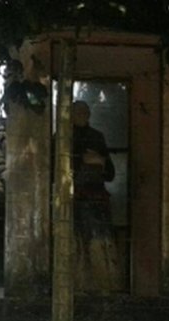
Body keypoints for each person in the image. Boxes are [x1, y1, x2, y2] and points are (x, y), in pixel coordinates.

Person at [70, 100, 123, 294]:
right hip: (73, 201)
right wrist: (82, 161)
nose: (83, 115)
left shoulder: (97, 137)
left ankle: (104, 285)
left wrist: (99, 160)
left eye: (86, 112)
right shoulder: (63, 138)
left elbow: (110, 173)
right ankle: (78, 285)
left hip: (97, 202)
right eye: (78, 112)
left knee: (101, 244)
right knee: (76, 244)